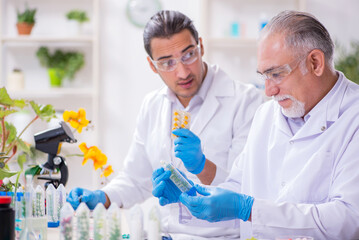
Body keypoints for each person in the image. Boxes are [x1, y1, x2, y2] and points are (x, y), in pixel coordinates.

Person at [153, 10, 359, 239]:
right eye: (264, 76)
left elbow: (349, 219)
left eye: (277, 74)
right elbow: (238, 188)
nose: (269, 90)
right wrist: (189, 194)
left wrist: (249, 209)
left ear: (315, 63)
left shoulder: (353, 118)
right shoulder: (266, 115)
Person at [67, 10, 263, 239]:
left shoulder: (245, 101)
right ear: (152, 65)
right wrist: (103, 197)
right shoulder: (152, 105)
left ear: (200, 46)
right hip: (164, 233)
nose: (182, 71)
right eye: (167, 63)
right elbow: (135, 179)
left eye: (188, 54)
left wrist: (202, 167)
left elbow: (247, 190)